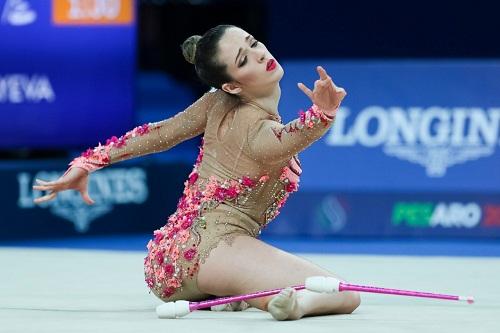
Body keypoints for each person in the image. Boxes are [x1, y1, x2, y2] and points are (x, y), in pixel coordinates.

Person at [32, 24, 360, 320]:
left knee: (318, 286)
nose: (261, 55)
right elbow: (289, 137)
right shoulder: (253, 128)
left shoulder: (216, 102)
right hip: (210, 251)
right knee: (344, 294)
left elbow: (159, 133)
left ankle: (233, 295)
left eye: (254, 42)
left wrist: (89, 160)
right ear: (231, 85)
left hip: (167, 259)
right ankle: (291, 305)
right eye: (244, 60)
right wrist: (324, 112)